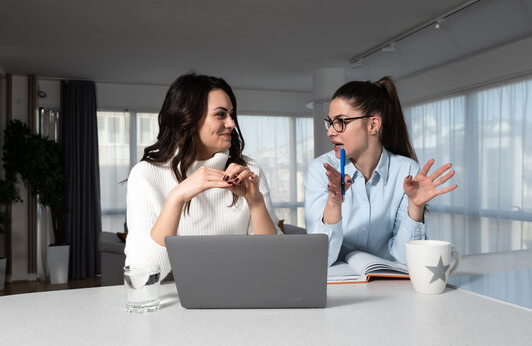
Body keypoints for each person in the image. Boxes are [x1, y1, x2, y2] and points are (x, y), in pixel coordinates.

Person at [125, 73, 280, 280]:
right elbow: (142, 278)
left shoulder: (249, 170)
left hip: (243, 294)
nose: (232, 124)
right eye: (221, 115)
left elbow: (273, 263)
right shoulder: (145, 175)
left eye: (232, 115)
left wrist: (255, 202)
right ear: (188, 118)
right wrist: (176, 199)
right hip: (178, 304)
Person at [305, 76, 457, 267]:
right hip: (338, 289)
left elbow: (404, 257)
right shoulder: (321, 170)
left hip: (389, 286)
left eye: (341, 122)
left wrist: (415, 207)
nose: (330, 132)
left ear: (373, 125)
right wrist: (334, 203)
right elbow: (321, 259)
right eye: (330, 122)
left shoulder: (407, 170)